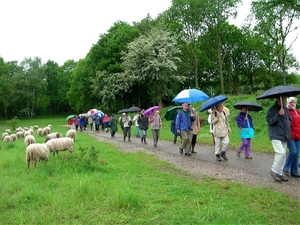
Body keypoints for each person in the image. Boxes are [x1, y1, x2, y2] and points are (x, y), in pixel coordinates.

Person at [267, 96, 291, 182]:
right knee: (280, 153)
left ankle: (280, 173)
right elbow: (269, 121)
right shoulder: (271, 109)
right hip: (275, 134)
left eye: (284, 99)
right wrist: (278, 114)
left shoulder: (286, 109)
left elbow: (289, 120)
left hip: (284, 135)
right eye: (282, 99)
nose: (283, 101)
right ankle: (274, 170)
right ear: (277, 99)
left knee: (284, 155)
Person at [283, 97, 300, 177]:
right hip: (290, 135)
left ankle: (294, 171)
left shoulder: (297, 112)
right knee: (293, 152)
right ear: (288, 103)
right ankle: (285, 168)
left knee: (296, 153)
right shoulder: (286, 112)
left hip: (298, 135)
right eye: (290, 102)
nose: (292, 104)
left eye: (293, 102)